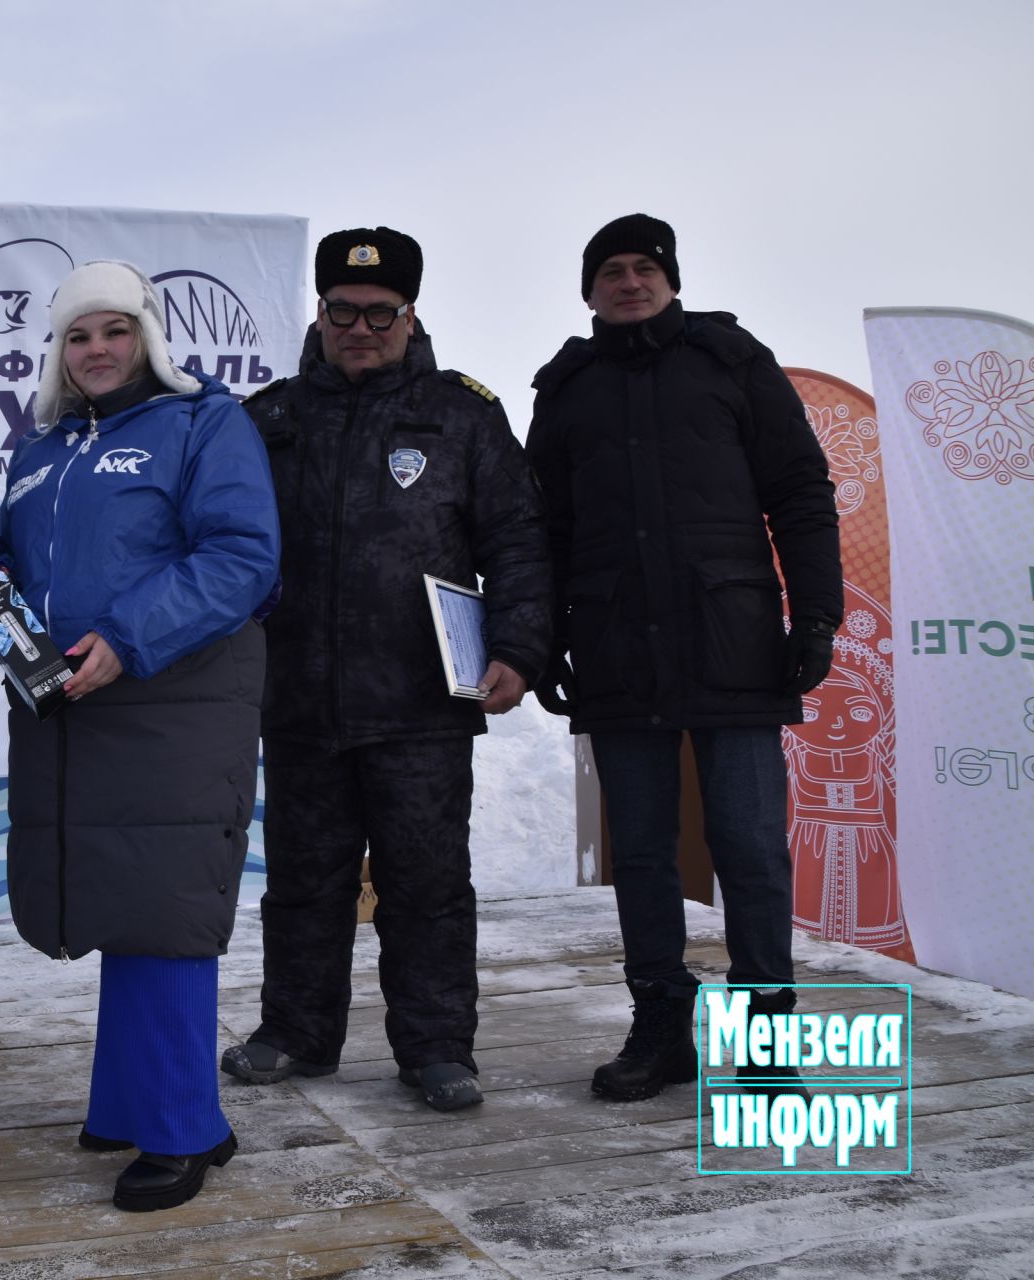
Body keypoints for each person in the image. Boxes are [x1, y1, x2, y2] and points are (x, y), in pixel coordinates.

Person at [221, 227, 552, 1113]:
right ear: (320, 314)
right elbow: (226, 547)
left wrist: (520, 648)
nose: (359, 327)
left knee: (428, 883)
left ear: (410, 316)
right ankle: (296, 1030)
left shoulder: (463, 416)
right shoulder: (267, 419)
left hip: (421, 702)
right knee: (302, 882)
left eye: (380, 312)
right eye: (343, 311)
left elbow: (517, 540)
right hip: (298, 698)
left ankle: (438, 1047)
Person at [525, 214, 842, 1100]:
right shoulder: (567, 385)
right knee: (645, 855)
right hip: (618, 644)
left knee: (748, 847)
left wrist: (816, 616)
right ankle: (662, 1029)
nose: (629, 283)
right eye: (611, 272)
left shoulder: (731, 361)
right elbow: (541, 525)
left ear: (670, 278)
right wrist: (546, 634)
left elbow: (801, 492)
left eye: (644, 269)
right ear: (588, 291)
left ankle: (766, 1042)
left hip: (732, 641)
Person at [0, 260, 280, 1212]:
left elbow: (242, 556)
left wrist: (128, 637)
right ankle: (131, 1100)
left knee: (161, 912)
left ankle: (181, 1131)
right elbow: (6, 568)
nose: (97, 350)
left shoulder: (205, 422)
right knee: (113, 898)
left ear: (147, 338)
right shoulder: (39, 449)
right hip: (70, 708)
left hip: (174, 702)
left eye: (114, 331)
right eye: (79, 336)